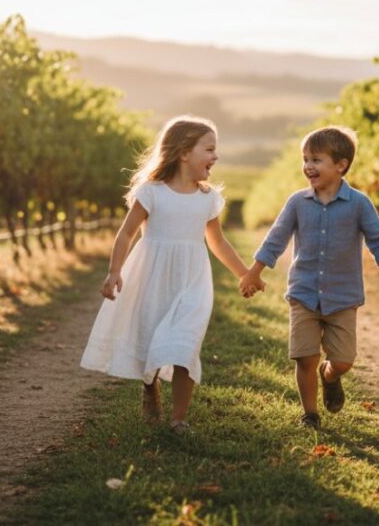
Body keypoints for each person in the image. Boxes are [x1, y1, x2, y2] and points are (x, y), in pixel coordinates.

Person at [80, 115, 263, 434]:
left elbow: (217, 242)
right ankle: (150, 386)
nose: (215, 156)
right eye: (208, 149)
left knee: (185, 344)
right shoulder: (152, 192)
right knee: (151, 335)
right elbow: (126, 234)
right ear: (183, 152)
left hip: (192, 280)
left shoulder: (208, 199)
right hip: (153, 275)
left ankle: (179, 418)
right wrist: (114, 272)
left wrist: (245, 274)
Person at [239, 126, 379, 429]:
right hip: (303, 293)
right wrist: (254, 272)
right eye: (305, 159)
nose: (308, 167)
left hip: (343, 296)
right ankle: (310, 414)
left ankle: (330, 375)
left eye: (316, 159)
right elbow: (276, 239)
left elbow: (377, 237)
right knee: (304, 357)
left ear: (340, 165)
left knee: (343, 361)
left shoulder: (359, 203)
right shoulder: (297, 202)